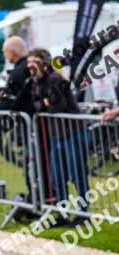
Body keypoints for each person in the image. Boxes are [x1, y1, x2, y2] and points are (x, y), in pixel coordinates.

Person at [27, 48, 89, 216]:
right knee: (57, 177)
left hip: (73, 132)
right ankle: (63, 214)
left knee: (78, 176)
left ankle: (84, 214)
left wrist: (45, 104)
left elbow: (58, 106)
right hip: (57, 134)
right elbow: (35, 104)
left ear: (44, 64)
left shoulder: (55, 79)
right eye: (29, 62)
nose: (30, 66)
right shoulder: (36, 81)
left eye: (34, 62)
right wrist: (44, 103)